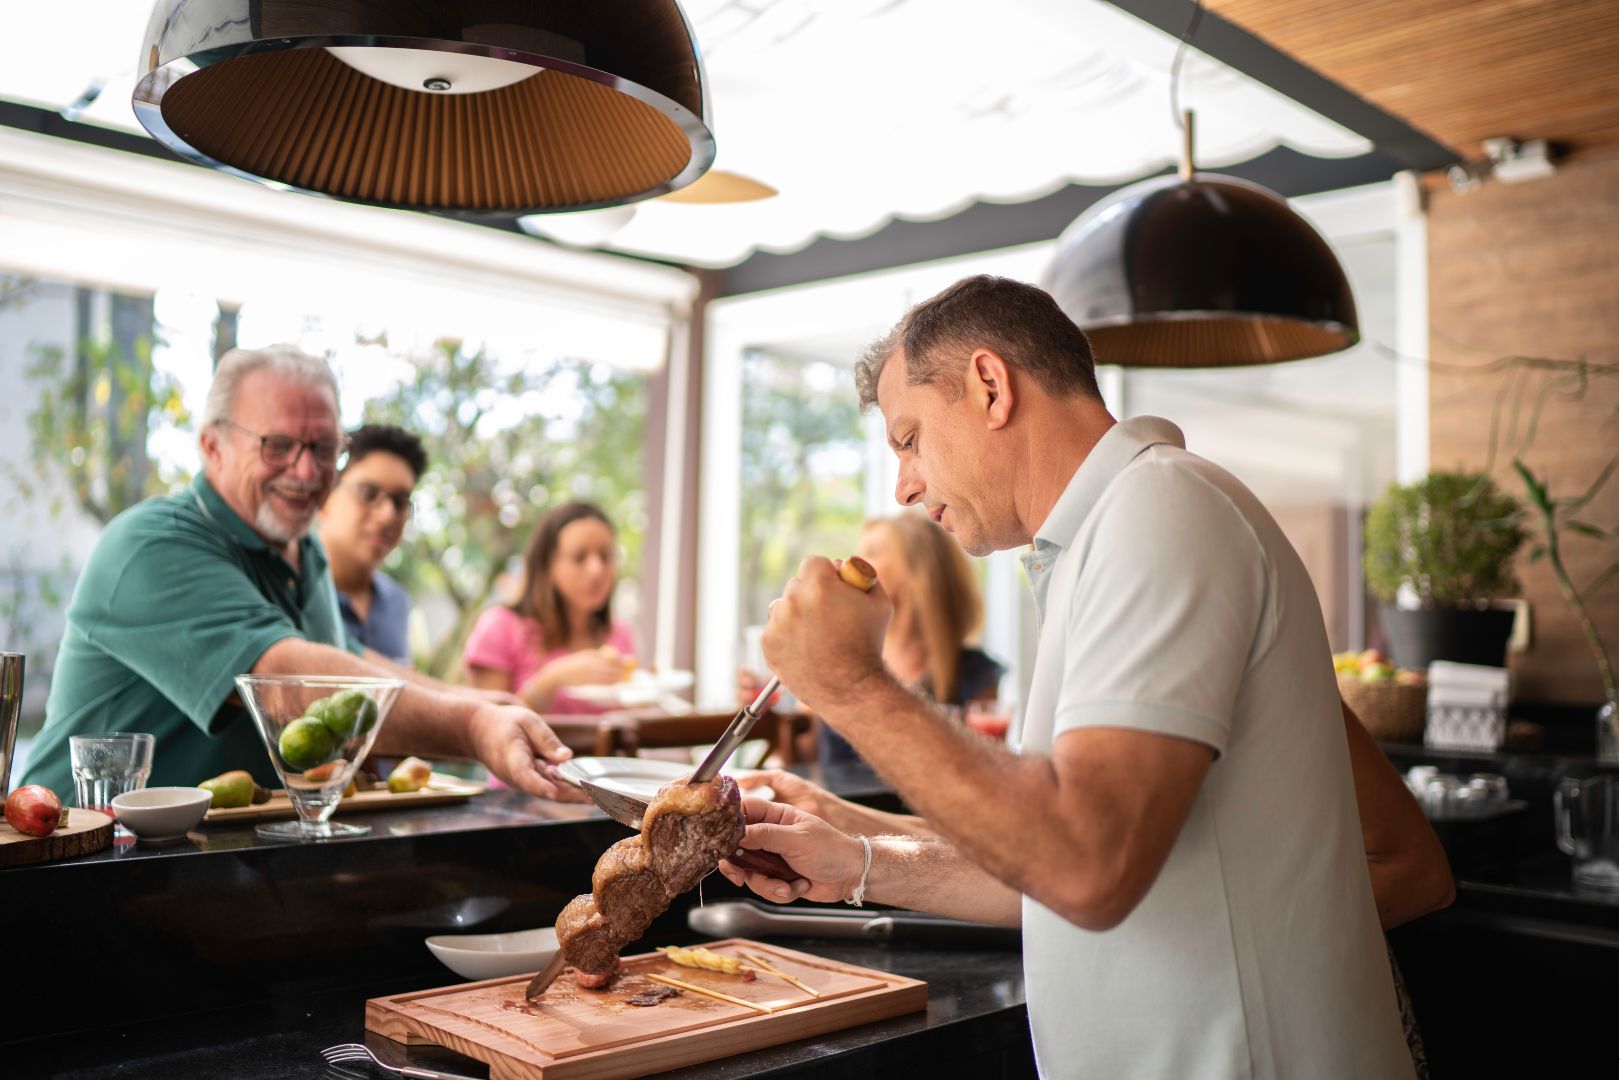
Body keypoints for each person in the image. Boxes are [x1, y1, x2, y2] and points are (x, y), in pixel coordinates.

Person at [719, 276, 1423, 1078]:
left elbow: (1086, 866)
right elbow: (1058, 862)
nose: (904, 486)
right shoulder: (1107, 538)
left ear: (990, 386)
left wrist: (849, 684)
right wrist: (859, 856)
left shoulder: (1160, 510)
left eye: (909, 439)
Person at [20, 346, 579, 801]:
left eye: (324, 448)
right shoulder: (151, 544)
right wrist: (473, 727)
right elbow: (292, 686)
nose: (307, 471)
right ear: (212, 446)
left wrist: (495, 708)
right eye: (279, 446)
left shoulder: (303, 546)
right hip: (85, 857)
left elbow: (349, 663)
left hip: (221, 860)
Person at [818, 513, 1004, 763]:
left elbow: (984, 766)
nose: (850, 563)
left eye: (872, 552)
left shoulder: (975, 674)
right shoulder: (839, 664)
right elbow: (804, 755)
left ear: (916, 575)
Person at [463, 502, 636, 714]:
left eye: (606, 556)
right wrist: (554, 678)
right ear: (546, 565)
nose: (596, 569)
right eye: (579, 557)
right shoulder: (500, 626)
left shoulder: (619, 634)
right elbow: (485, 721)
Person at [317, 424, 426, 664]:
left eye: (400, 502)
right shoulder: (288, 588)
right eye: (368, 493)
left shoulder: (397, 602)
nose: (387, 515)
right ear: (324, 496)